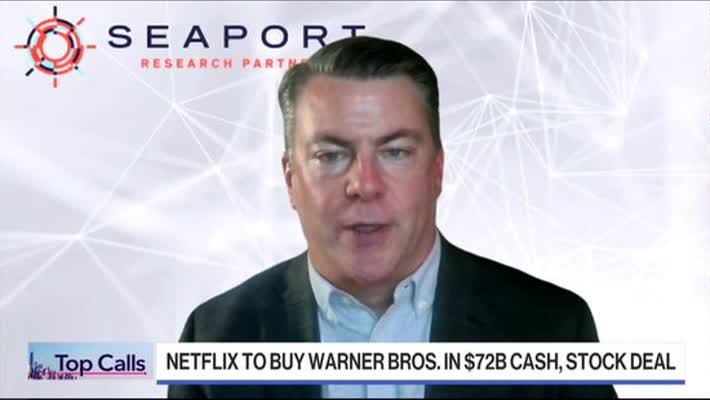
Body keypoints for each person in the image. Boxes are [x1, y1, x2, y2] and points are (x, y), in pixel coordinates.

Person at [168, 36, 617, 399]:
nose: (365, 184)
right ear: (290, 180)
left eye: (396, 152)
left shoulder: (552, 328)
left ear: (437, 171)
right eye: (330, 155)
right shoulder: (216, 338)